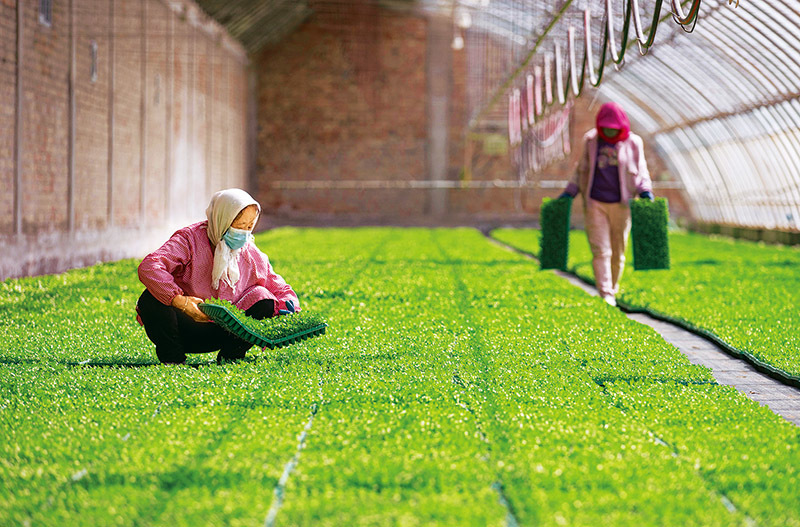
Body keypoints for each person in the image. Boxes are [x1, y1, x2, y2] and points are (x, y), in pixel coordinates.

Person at [136, 188, 300, 364]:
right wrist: (181, 302)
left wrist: (290, 310)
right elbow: (150, 266)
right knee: (150, 298)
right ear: (222, 219)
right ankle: (173, 359)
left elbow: (279, 287)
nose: (244, 232)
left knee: (264, 298)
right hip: (184, 326)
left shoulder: (249, 252)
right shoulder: (190, 239)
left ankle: (231, 356)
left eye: (250, 226)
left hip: (226, 332)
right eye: (239, 225)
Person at [559, 102, 654, 307]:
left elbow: (641, 170)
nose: (610, 131)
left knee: (618, 249)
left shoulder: (634, 142)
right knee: (601, 249)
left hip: (622, 204)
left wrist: (645, 190)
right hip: (595, 203)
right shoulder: (592, 140)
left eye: (614, 128)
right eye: (606, 127)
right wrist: (570, 191)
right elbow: (581, 168)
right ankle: (606, 293)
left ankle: (613, 287)